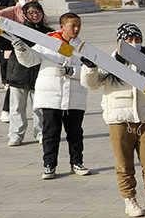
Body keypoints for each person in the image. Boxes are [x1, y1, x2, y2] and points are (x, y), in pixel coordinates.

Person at [82, 23, 145, 218]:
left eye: (137, 40)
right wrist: (90, 68)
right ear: (121, 42)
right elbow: (91, 84)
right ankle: (130, 199)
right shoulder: (110, 62)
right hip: (120, 120)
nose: (134, 43)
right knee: (124, 163)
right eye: (129, 40)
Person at [15, 11, 89, 180]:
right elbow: (30, 60)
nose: (76, 29)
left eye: (79, 26)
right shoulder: (48, 42)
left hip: (74, 97)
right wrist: (21, 50)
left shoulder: (83, 47)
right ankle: (49, 165)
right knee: (51, 133)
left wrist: (72, 71)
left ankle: (77, 162)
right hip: (51, 97)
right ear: (62, 26)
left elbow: (90, 70)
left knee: (75, 133)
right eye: (73, 26)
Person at [1, 0, 48, 147]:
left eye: (37, 12)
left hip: (40, 75)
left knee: (39, 108)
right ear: (25, 15)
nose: (35, 15)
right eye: (31, 12)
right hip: (18, 74)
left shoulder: (49, 32)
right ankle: (16, 135)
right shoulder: (17, 30)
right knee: (16, 108)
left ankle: (41, 133)